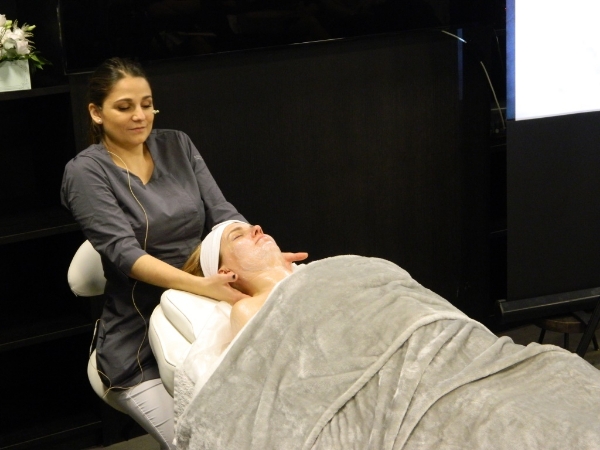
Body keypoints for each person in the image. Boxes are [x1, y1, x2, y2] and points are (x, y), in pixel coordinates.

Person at [61, 57, 305, 450]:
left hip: (206, 308)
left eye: (147, 104)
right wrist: (201, 285)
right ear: (96, 112)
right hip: (137, 340)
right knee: (201, 443)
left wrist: (262, 258)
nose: (140, 116)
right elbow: (124, 254)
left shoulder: (176, 144)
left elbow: (222, 213)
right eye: (124, 107)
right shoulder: (86, 173)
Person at [182, 220, 297, 336]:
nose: (258, 228)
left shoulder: (306, 271)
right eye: (237, 236)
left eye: (253, 227)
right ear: (225, 273)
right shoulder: (249, 310)